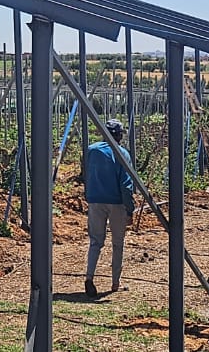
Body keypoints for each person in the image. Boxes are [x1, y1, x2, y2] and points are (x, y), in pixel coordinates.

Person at [84, 118, 136, 298]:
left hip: (95, 200)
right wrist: (130, 209)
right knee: (117, 244)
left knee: (95, 242)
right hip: (117, 203)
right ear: (120, 135)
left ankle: (89, 277)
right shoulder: (123, 154)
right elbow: (126, 185)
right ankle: (115, 282)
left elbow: (86, 174)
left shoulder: (92, 150)